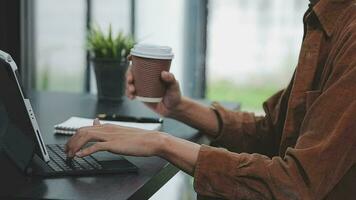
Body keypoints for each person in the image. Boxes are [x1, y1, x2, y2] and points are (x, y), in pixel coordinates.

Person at [65, 0, 356, 199]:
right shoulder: (323, 18)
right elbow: (271, 132)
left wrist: (160, 143)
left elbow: (296, 184)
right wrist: (179, 107)